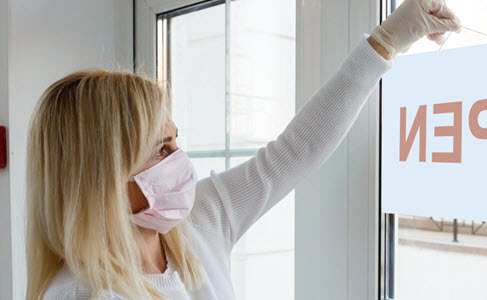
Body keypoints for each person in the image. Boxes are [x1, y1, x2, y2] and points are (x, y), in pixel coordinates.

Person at [27, 0, 460, 298]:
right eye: (161, 150)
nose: (181, 163)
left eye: (177, 140)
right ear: (100, 179)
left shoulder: (200, 219)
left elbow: (295, 151)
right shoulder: (78, 294)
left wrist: (385, 42)